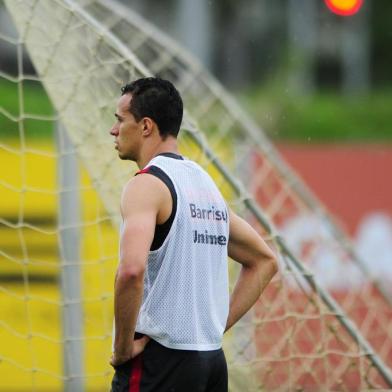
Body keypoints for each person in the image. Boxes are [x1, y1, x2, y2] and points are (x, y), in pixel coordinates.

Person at [109, 77, 277, 391]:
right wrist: (213, 328)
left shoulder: (146, 185)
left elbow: (131, 271)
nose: (113, 130)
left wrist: (122, 349)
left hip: (160, 362)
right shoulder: (204, 184)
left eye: (120, 120)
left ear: (146, 126)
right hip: (211, 362)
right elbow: (264, 260)